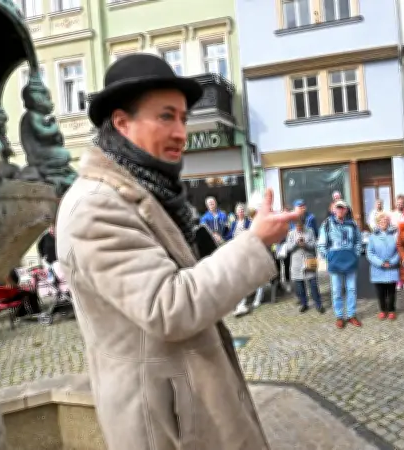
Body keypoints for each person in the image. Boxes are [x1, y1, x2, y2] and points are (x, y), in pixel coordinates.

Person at [56, 53, 299, 450]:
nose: (181, 132)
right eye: (166, 117)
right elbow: (169, 307)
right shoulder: (95, 206)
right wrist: (254, 243)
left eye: (183, 118)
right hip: (164, 422)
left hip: (186, 401)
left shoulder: (150, 192)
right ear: (121, 122)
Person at [318, 200, 362, 329]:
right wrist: (329, 257)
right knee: (336, 291)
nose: (340, 210)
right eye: (338, 208)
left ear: (346, 210)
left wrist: (356, 254)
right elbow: (321, 244)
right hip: (335, 263)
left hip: (350, 262)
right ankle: (339, 316)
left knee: (352, 290)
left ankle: (351, 315)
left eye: (343, 208)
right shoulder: (327, 224)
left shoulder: (352, 224)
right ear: (334, 209)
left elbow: (358, 241)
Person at [366, 212, 400, 320]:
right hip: (378, 269)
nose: (383, 223)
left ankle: (391, 309)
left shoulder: (395, 235)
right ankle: (382, 309)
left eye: (385, 221)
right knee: (380, 292)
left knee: (391, 291)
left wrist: (392, 262)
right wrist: (380, 263)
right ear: (378, 223)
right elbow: (370, 253)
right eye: (381, 221)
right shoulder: (372, 236)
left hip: (391, 267)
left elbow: (399, 251)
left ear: (389, 222)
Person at [286, 219, 324, 314]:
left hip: (310, 260)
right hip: (297, 263)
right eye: (297, 226)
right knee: (299, 285)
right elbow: (288, 248)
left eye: (300, 226)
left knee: (313, 284)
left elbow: (314, 244)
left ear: (303, 225)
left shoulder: (310, 231)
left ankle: (318, 304)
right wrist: (296, 243)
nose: (299, 228)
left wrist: (305, 244)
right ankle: (304, 304)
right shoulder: (291, 233)